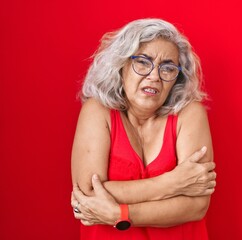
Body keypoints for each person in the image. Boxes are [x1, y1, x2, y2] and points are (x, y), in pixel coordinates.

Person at [71, 18, 216, 240]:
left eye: (167, 68)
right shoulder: (97, 111)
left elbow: (197, 206)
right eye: (142, 62)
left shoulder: (190, 113)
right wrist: (172, 183)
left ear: (177, 77)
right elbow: (88, 194)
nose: (155, 75)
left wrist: (120, 214)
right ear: (121, 66)